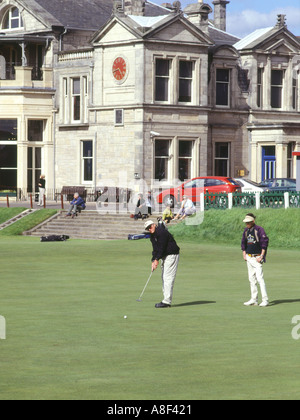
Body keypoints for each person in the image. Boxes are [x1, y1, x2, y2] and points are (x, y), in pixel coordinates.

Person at [144, 219, 180, 308]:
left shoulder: (161, 232)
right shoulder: (152, 236)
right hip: (165, 255)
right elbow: (155, 249)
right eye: (147, 228)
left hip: (171, 254)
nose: (149, 229)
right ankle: (166, 299)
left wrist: (157, 259)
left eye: (150, 227)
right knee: (164, 277)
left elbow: (161, 248)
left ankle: (167, 302)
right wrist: (153, 260)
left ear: (153, 225)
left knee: (168, 277)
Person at [241, 213, 269, 307]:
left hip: (257, 257)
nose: (247, 224)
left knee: (260, 279)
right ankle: (254, 299)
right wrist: (244, 253)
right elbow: (243, 243)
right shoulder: (246, 231)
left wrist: (262, 255)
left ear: (253, 221)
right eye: (246, 223)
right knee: (251, 279)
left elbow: (265, 242)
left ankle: (265, 300)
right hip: (249, 257)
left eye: (249, 222)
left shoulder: (259, 230)